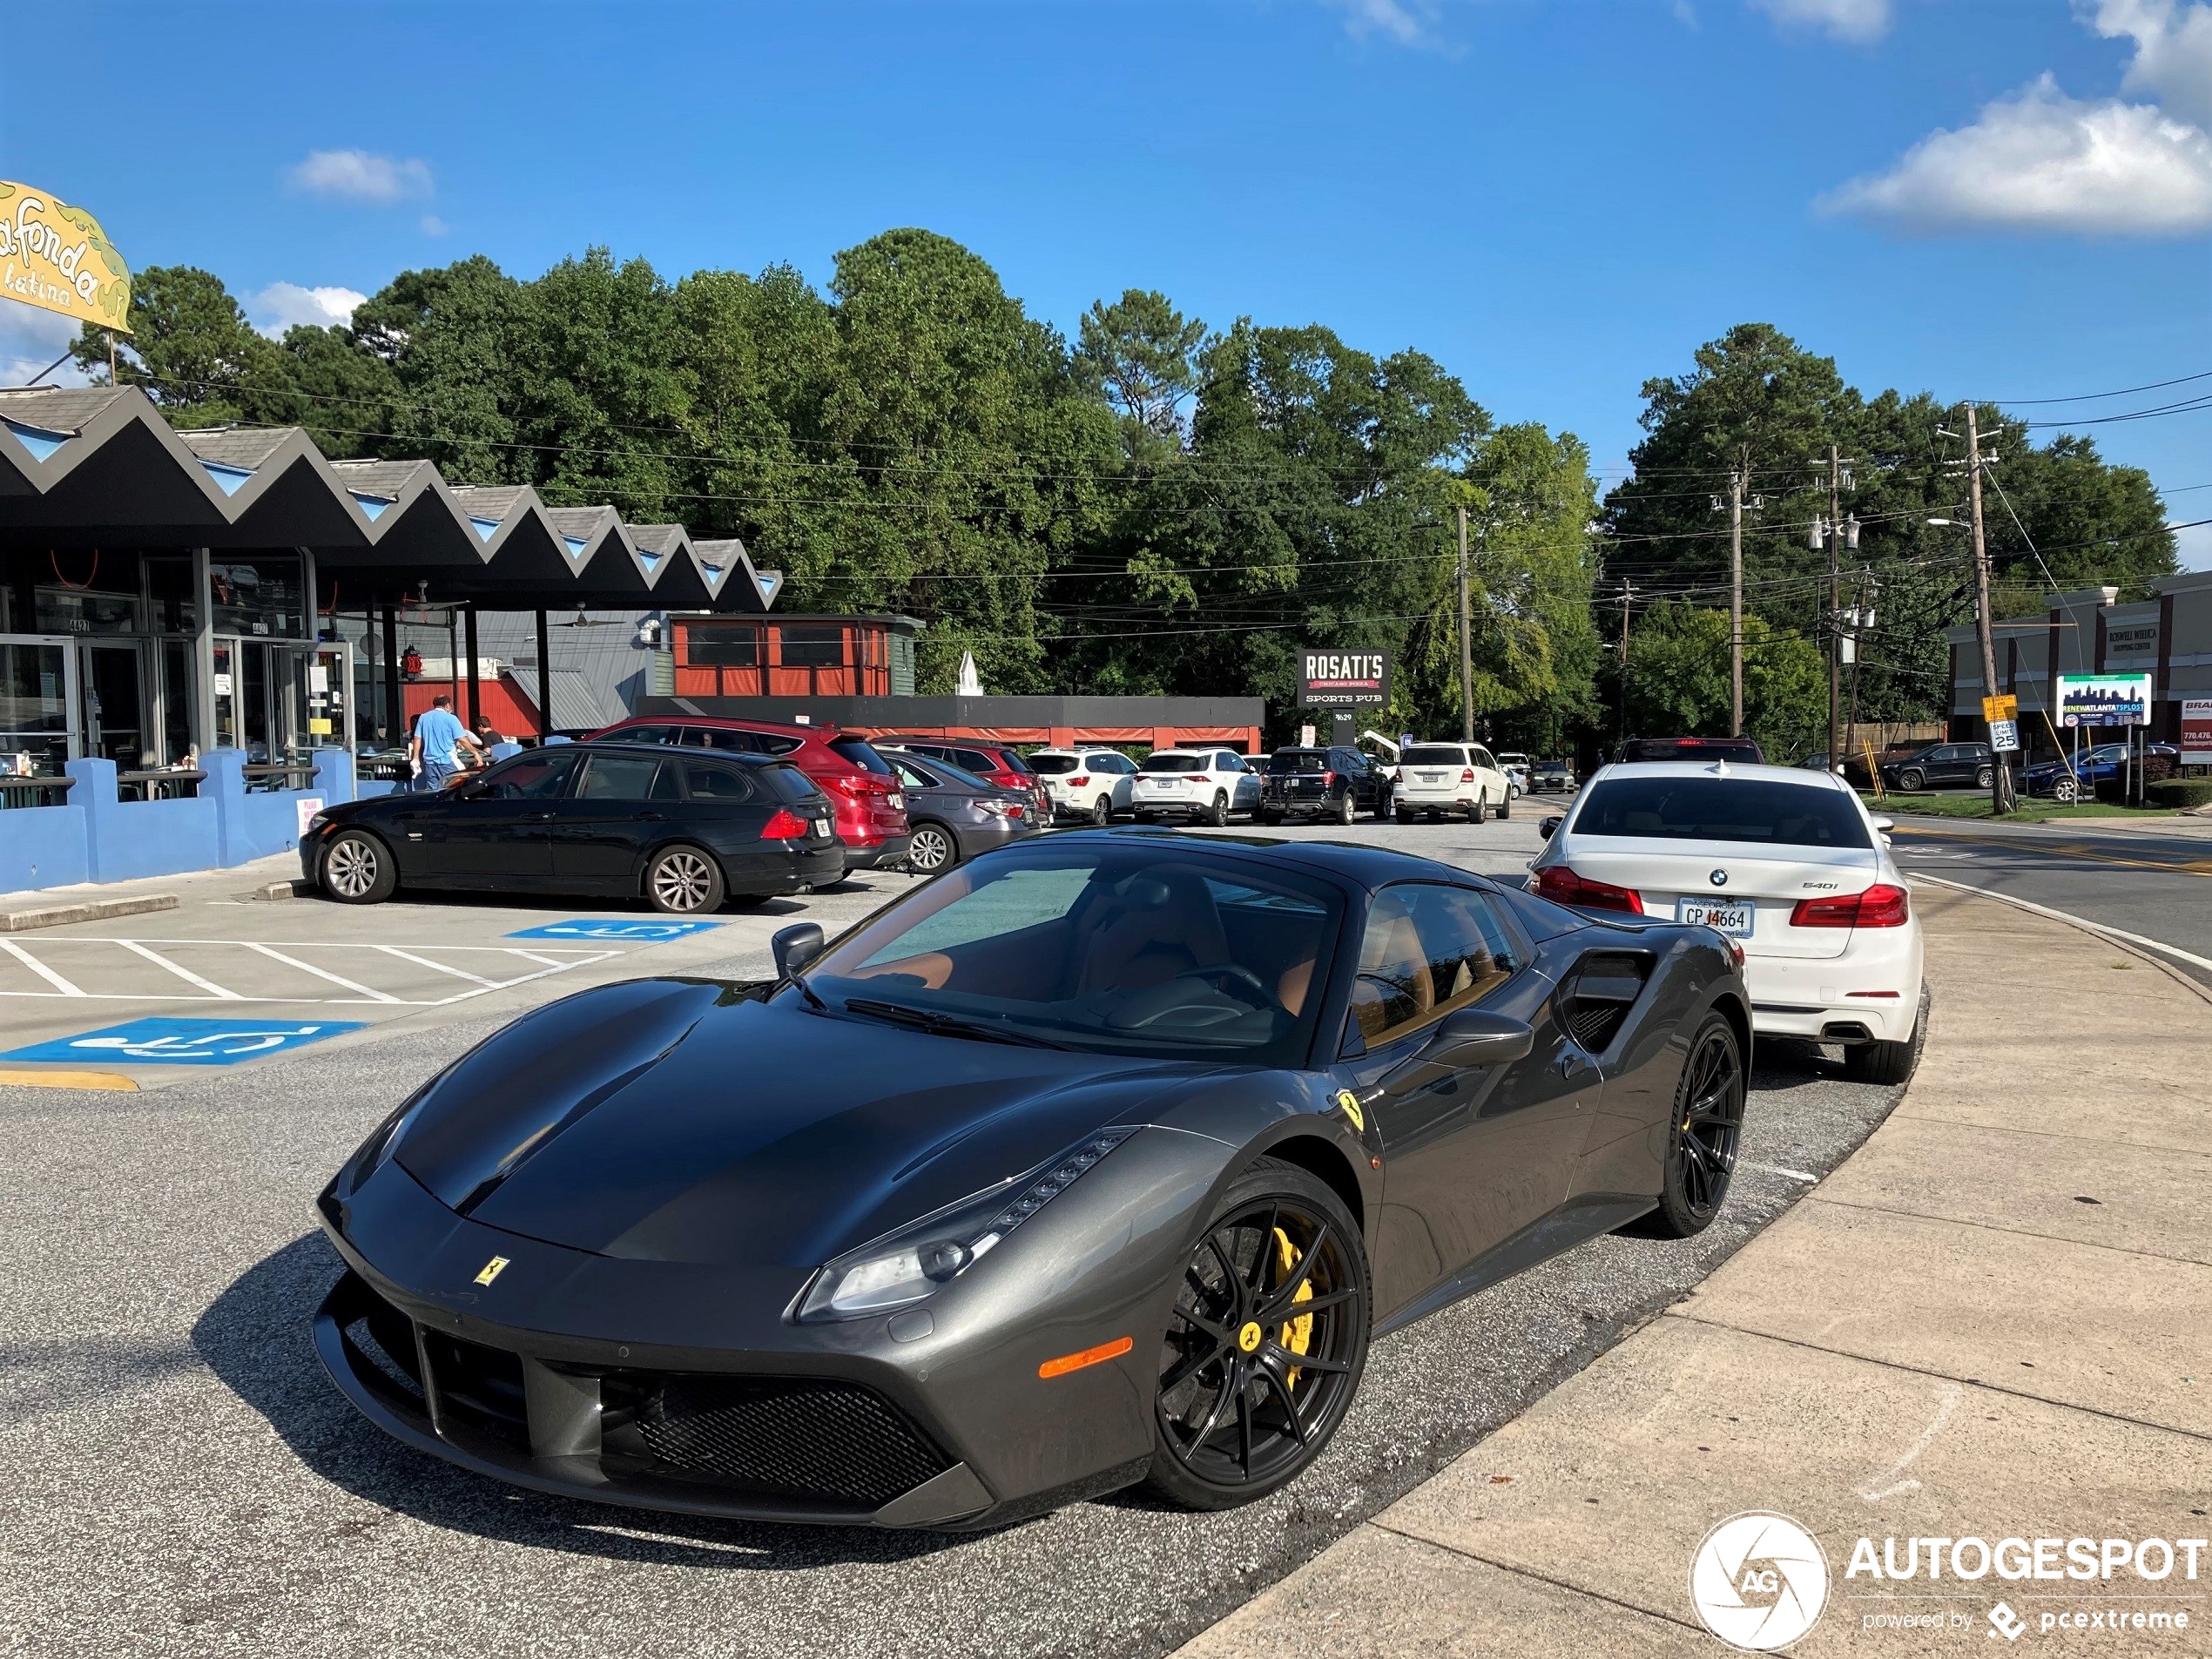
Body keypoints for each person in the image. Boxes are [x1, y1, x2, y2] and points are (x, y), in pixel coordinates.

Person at [408, 693, 486, 791]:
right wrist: (475, 753)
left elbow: (417, 738)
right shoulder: (451, 718)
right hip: (447, 761)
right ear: (448, 705)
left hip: (429, 763)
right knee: (460, 787)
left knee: (433, 792)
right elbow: (462, 739)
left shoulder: (424, 718)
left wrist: (415, 758)